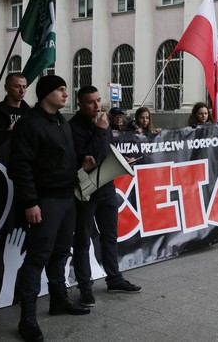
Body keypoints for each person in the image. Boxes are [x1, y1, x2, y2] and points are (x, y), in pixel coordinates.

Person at [8, 75, 89, 342]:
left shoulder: (60, 121)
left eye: (65, 88)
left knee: (61, 252)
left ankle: (58, 300)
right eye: (60, 89)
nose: (66, 94)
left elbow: (61, 156)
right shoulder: (30, 124)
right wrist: (30, 202)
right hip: (46, 201)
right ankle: (27, 319)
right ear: (45, 94)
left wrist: (81, 159)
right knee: (37, 258)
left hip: (67, 198)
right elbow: (20, 167)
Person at [69, 86, 142, 307]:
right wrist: (100, 131)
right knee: (83, 240)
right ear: (80, 104)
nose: (97, 106)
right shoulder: (73, 127)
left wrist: (121, 159)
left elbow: (105, 152)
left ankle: (114, 278)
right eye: (91, 102)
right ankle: (85, 288)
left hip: (106, 189)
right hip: (86, 192)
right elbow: (89, 159)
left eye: (99, 100)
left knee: (110, 236)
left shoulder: (103, 124)